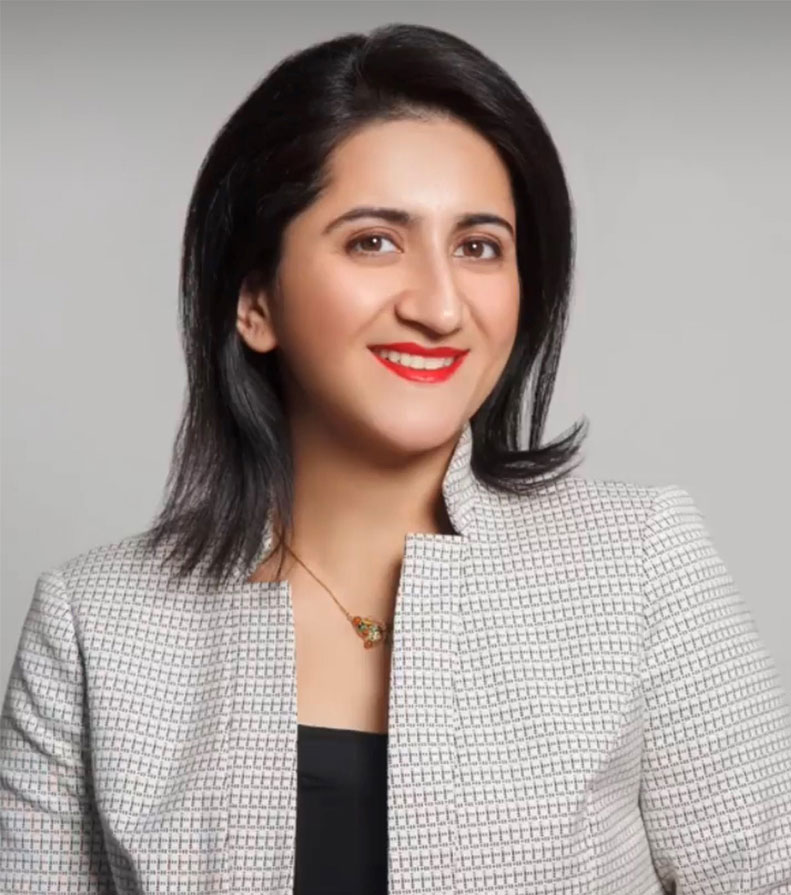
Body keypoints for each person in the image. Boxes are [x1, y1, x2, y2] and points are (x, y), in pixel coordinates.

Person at [2, 21, 790, 895]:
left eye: (479, 246)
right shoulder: (95, 625)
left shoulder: (637, 565)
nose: (440, 307)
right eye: (373, 241)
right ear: (254, 300)